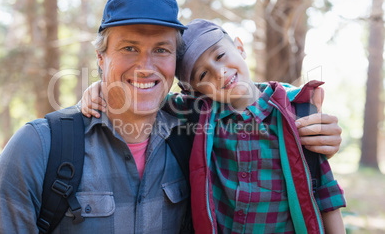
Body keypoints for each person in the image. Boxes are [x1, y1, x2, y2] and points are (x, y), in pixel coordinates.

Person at [82, 19, 346, 233]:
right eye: (203, 75)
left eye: (220, 55)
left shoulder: (295, 115)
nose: (219, 72)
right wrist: (103, 88)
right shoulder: (198, 115)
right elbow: (145, 95)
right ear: (194, 90)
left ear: (240, 47)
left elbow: (326, 196)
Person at [0, 0, 192, 234]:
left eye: (161, 50)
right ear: (101, 58)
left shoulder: (192, 139)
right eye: (129, 48)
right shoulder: (37, 147)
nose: (145, 67)